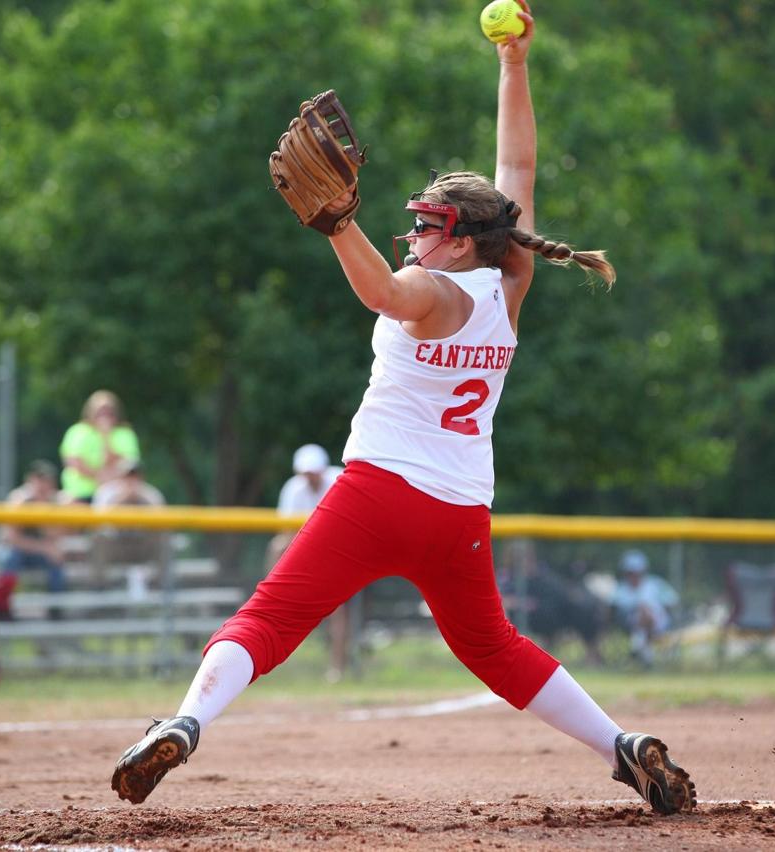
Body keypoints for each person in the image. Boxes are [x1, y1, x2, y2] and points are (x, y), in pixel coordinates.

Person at [111, 5, 694, 817]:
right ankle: (623, 748)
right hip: (459, 511)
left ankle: (186, 718)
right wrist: (515, 67)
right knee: (495, 648)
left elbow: (386, 290)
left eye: (425, 225)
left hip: (378, 495)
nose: (412, 233)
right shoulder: (507, 283)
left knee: (271, 616)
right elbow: (518, 170)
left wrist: (338, 225)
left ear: (460, 241)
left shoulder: (431, 289)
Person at [264, 444, 347, 681]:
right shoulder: (294, 488)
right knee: (277, 546)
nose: (310, 477)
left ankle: (337, 667)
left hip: (336, 552)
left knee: (337, 610)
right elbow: (285, 531)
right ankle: (272, 591)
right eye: (306, 473)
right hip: (306, 549)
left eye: (314, 472)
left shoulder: (338, 480)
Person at [497, 541, 607, 667]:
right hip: (529, 615)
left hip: (556, 610)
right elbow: (502, 599)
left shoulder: (541, 572)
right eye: (520, 557)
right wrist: (521, 602)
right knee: (547, 611)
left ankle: (592, 657)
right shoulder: (506, 576)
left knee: (585, 609)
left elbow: (560, 592)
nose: (525, 560)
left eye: (527, 556)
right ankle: (531, 658)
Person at [0, 460, 70, 599]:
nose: (42, 485)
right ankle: (3, 606)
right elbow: (11, 539)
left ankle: (56, 610)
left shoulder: (56, 502)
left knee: (56, 560)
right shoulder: (18, 500)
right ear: (29, 481)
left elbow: (57, 536)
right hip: (17, 551)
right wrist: (43, 547)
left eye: (47, 481)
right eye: (39, 480)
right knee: (10, 558)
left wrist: (43, 511)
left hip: (38, 553)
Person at [59, 390, 140, 504]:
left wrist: (106, 438)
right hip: (80, 493)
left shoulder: (125, 433)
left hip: (116, 494)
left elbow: (128, 466)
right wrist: (98, 478)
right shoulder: (78, 431)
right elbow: (74, 462)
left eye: (109, 412)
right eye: (101, 412)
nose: (104, 416)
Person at [610, 549, 680, 667]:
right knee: (643, 611)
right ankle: (643, 648)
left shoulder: (654, 584)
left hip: (659, 623)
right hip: (632, 623)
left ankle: (638, 646)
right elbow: (614, 609)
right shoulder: (621, 589)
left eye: (636, 572)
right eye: (630, 573)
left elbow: (672, 601)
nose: (633, 576)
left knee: (646, 610)